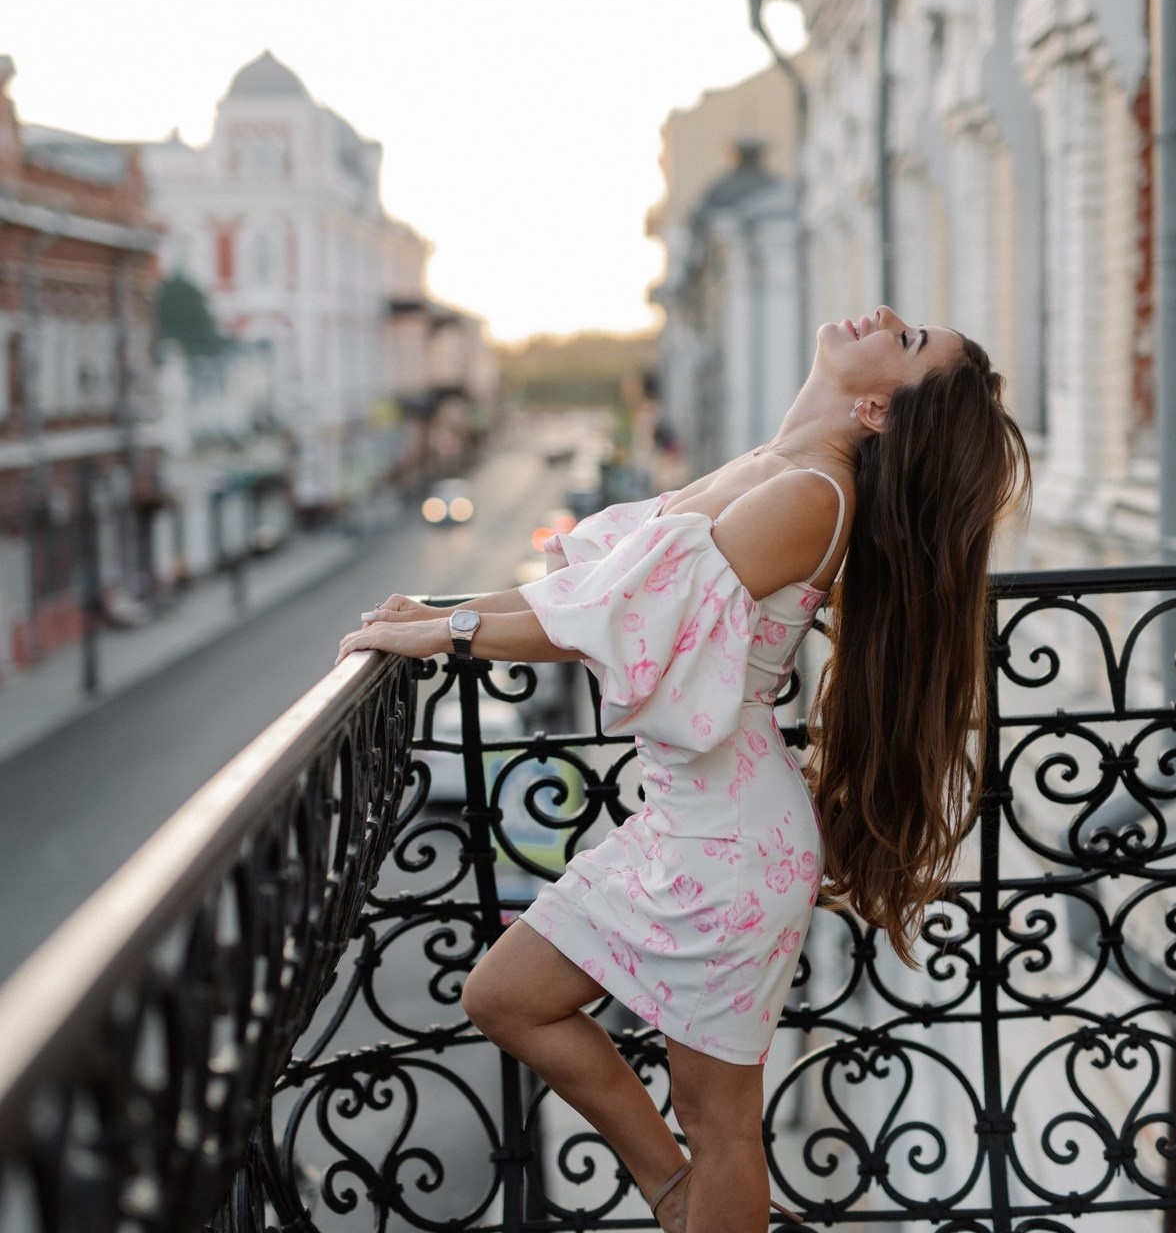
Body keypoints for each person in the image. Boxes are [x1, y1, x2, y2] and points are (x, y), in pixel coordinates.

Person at [336, 305, 1030, 1233]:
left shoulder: (812, 495)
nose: (889, 318)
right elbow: (592, 591)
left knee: (722, 1124)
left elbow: (623, 624)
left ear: (874, 411)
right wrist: (443, 610)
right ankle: (676, 1197)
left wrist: (449, 631)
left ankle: (693, 1196)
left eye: (907, 343)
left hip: (730, 847)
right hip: (690, 825)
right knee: (505, 996)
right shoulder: (774, 467)